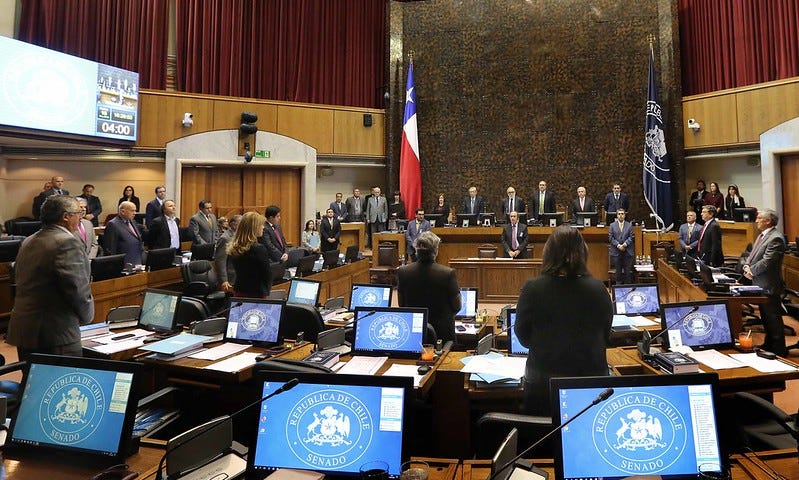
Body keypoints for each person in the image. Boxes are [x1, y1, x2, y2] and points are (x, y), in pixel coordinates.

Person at [514, 225, 612, 415]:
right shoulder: (599, 289)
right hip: (590, 388)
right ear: (583, 252)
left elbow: (523, 337)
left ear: (548, 253)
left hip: (542, 385)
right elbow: (605, 335)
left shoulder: (533, 288)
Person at [8, 195, 94, 361]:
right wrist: (87, 317)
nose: (80, 217)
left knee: (33, 383)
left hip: (26, 330)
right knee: (63, 384)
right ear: (65, 216)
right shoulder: (67, 243)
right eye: (78, 213)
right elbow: (77, 290)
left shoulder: (28, 240)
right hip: (56, 333)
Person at [397, 231, 461, 343]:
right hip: (443, 335)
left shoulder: (403, 272)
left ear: (416, 250)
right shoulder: (447, 273)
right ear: (436, 251)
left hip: (413, 332)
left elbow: (401, 304)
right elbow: (457, 305)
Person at [743, 209, 787, 356]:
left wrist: (752, 271)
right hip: (760, 283)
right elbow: (754, 254)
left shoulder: (776, 238)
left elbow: (768, 261)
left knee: (773, 318)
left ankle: (779, 349)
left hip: (769, 284)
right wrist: (747, 265)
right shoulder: (763, 236)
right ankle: (769, 344)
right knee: (766, 317)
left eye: (759, 218)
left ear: (768, 221)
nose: (756, 220)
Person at [227, 211, 273, 298]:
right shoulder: (258, 249)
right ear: (254, 228)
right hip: (256, 294)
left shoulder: (235, 247)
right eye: (261, 225)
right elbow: (267, 274)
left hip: (239, 291)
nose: (263, 227)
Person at [215, 214, 241, 293]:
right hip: (230, 278)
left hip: (238, 275)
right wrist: (224, 280)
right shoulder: (225, 238)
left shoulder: (238, 235)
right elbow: (221, 261)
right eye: (241, 223)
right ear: (233, 224)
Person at [609, 209, 634, 284]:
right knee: (618, 272)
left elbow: (631, 237)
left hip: (627, 252)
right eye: (619, 214)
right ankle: (618, 291)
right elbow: (610, 238)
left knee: (627, 272)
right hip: (616, 252)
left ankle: (628, 289)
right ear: (617, 215)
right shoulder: (612, 225)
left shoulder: (629, 225)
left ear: (625, 215)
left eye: (622, 214)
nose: (621, 215)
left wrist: (625, 244)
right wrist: (618, 245)